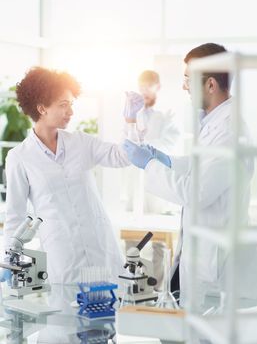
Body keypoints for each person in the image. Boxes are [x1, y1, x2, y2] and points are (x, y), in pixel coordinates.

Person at [123, 43, 256, 308]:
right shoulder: (213, 122)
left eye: (187, 79)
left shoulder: (228, 129)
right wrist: (165, 159)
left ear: (210, 85)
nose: (184, 86)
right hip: (200, 255)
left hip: (214, 265)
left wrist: (150, 165)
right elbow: (201, 167)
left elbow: (197, 191)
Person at [1, 67, 130, 285]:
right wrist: (8, 259)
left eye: (71, 104)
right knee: (66, 314)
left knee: (111, 308)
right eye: (63, 105)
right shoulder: (19, 157)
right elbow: (15, 215)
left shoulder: (80, 142)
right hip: (63, 257)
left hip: (100, 247)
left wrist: (131, 122)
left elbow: (122, 157)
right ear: (42, 108)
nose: (70, 112)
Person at [123, 70, 180, 290]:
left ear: (158, 87)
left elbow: (171, 145)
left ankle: (157, 288)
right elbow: (125, 143)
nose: (144, 90)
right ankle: (133, 281)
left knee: (158, 236)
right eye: (141, 86)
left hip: (156, 181)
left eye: (149, 86)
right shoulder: (132, 114)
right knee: (131, 231)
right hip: (134, 182)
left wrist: (147, 144)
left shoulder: (166, 117)